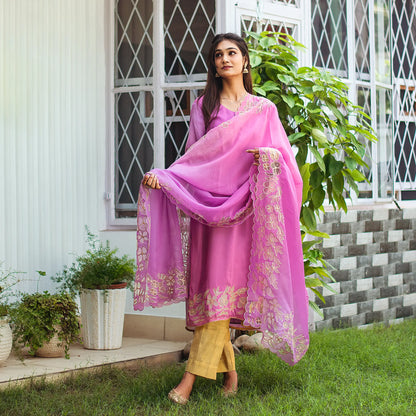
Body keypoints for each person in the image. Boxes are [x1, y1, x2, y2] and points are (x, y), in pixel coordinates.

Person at [135, 33, 309, 405]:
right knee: (215, 298)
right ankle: (230, 372)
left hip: (243, 216)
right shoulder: (203, 107)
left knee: (220, 298)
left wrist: (267, 155)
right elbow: (194, 161)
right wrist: (165, 177)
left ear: (245, 61)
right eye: (218, 55)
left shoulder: (264, 110)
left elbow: (286, 166)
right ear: (214, 64)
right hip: (209, 214)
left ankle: (187, 383)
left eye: (232, 53)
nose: (225, 59)